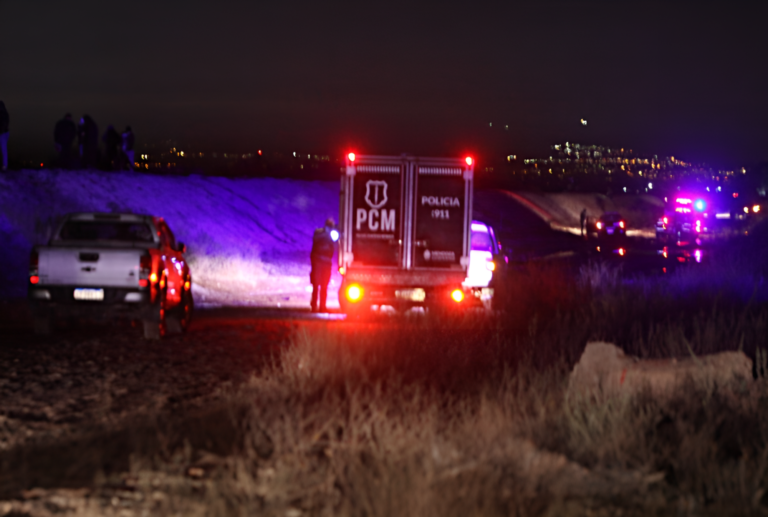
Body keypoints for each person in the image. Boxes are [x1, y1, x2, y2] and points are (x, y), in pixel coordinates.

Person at [310, 218, 336, 313]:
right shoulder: (324, 233)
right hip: (321, 262)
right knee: (321, 286)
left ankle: (318, 306)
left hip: (320, 262)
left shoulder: (319, 232)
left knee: (319, 286)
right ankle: (319, 306)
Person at [0, 101, 8, 171]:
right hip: (4, 133)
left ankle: (4, 166)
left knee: (4, 150)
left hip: (3, 133)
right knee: (4, 150)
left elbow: (4, 124)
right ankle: (4, 166)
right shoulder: (5, 114)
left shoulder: (3, 114)